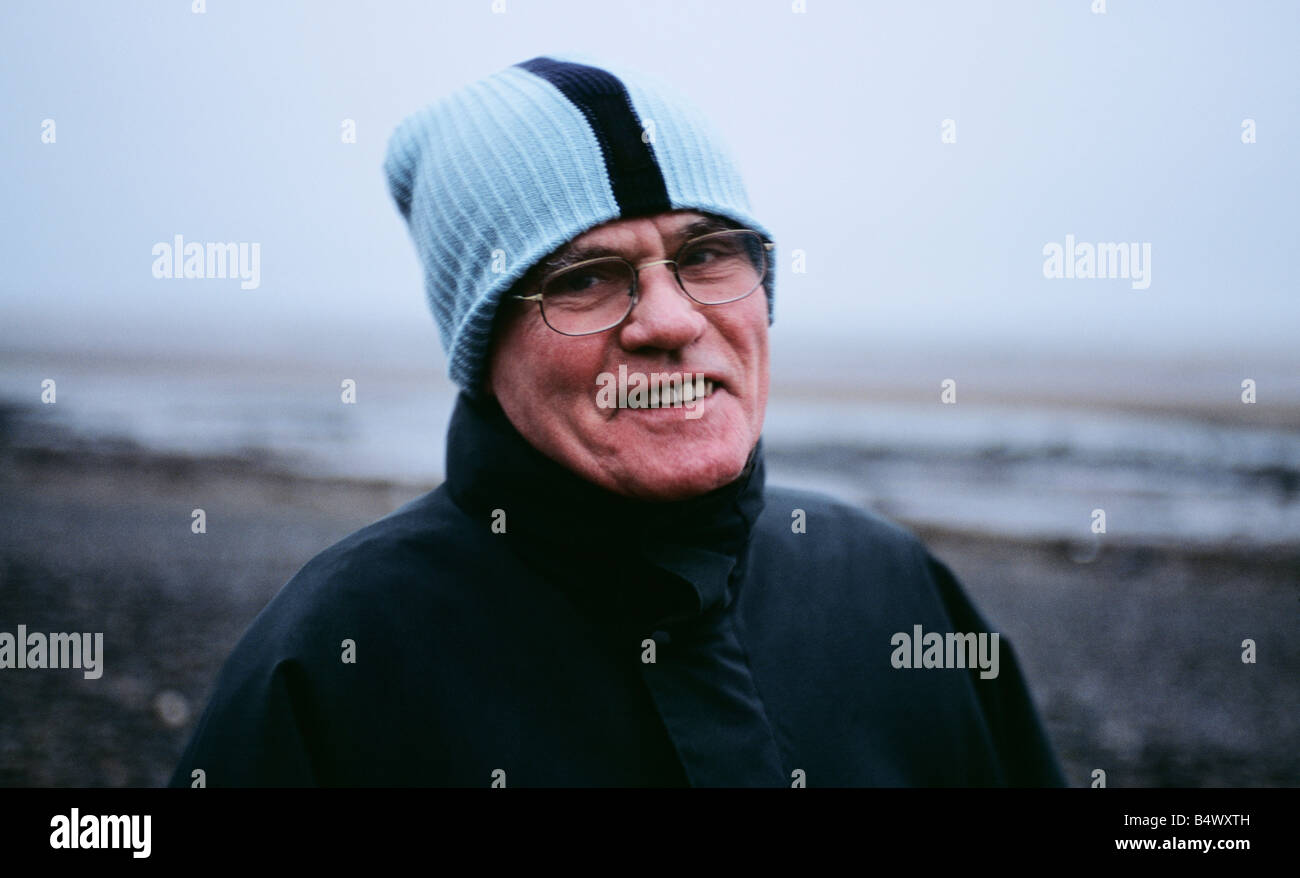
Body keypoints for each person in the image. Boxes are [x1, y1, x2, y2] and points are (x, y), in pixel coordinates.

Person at [169, 54, 1065, 788]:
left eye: (708, 254)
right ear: (484, 348)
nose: (671, 322)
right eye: (584, 278)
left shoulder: (893, 589)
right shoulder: (336, 660)